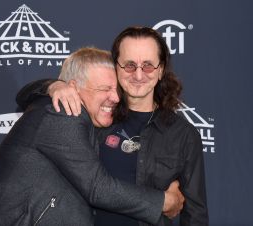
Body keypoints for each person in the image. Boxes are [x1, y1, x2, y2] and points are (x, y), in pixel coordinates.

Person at [17, 27, 209, 226]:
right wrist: (54, 85)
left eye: (148, 65)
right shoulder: (97, 117)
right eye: (129, 65)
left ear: (160, 70)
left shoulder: (184, 135)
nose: (138, 74)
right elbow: (25, 98)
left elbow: (196, 216)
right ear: (116, 67)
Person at [0, 47, 184, 226]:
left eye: (117, 89)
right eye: (105, 89)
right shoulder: (62, 114)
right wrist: (164, 201)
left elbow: (25, 95)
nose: (115, 97)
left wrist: (50, 85)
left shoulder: (88, 121)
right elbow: (98, 188)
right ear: (73, 88)